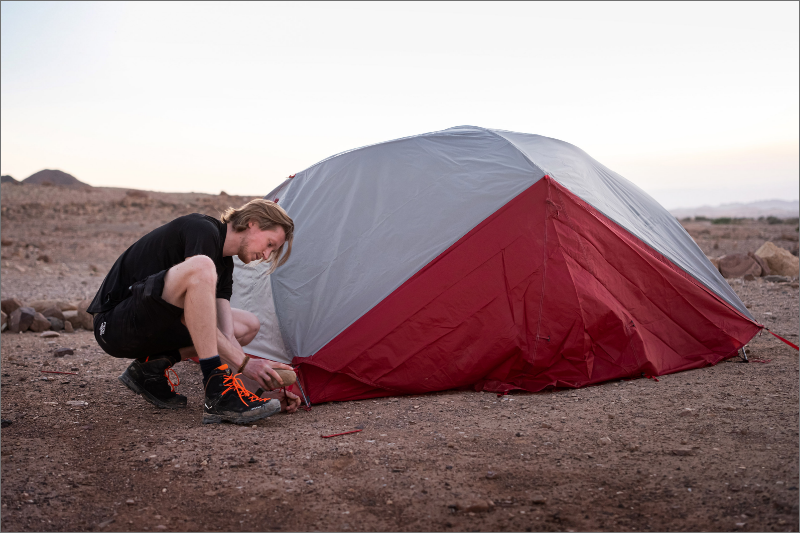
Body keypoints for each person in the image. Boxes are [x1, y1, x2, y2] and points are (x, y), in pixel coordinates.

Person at [87, 199, 301, 424]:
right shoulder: (202, 229)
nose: (266, 256)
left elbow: (226, 337)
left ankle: (152, 367)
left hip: (149, 327)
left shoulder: (225, 264)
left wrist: (259, 391)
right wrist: (247, 363)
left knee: (247, 325)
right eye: (269, 244)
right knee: (202, 267)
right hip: (114, 325)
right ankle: (216, 392)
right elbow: (189, 316)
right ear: (252, 223)